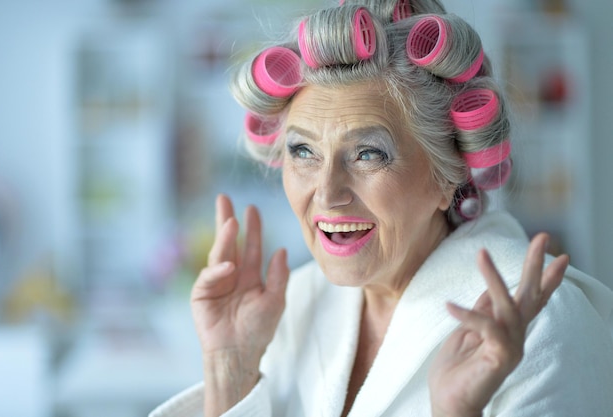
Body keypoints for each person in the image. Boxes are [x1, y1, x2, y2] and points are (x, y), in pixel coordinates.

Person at [150, 0, 613, 416]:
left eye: (369, 154)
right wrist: (229, 366)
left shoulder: (539, 325)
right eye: (303, 152)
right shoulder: (295, 306)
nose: (328, 193)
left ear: (447, 175)